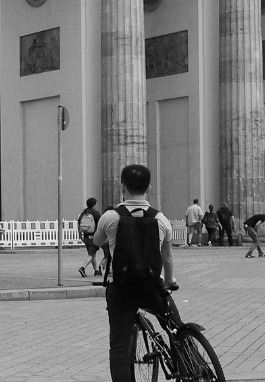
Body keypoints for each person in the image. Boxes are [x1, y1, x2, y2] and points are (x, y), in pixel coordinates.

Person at [98, 164, 176, 382]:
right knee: (175, 327)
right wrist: (169, 282)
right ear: (148, 187)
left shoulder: (110, 217)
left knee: (119, 348)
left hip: (121, 289)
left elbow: (97, 241)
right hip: (151, 287)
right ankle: (186, 359)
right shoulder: (161, 219)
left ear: (121, 186)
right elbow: (167, 257)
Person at [78, 197, 103, 277]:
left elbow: (78, 224)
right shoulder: (95, 214)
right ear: (94, 205)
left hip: (85, 236)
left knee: (92, 253)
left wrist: (80, 235)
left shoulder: (83, 213)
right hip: (93, 237)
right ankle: (83, 268)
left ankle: (96, 271)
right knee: (91, 255)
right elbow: (101, 224)